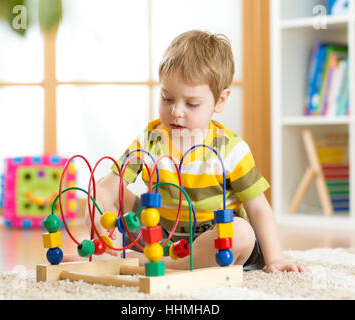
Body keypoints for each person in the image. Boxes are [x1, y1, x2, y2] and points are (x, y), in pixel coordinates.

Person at [69, 30, 306, 273]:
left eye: (191, 103)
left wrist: (275, 259)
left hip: (216, 242)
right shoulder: (150, 140)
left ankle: (153, 263)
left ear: (220, 101)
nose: (176, 112)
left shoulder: (231, 149)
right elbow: (110, 187)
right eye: (167, 98)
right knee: (108, 187)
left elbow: (258, 208)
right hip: (160, 237)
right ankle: (122, 252)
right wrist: (99, 222)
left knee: (241, 232)